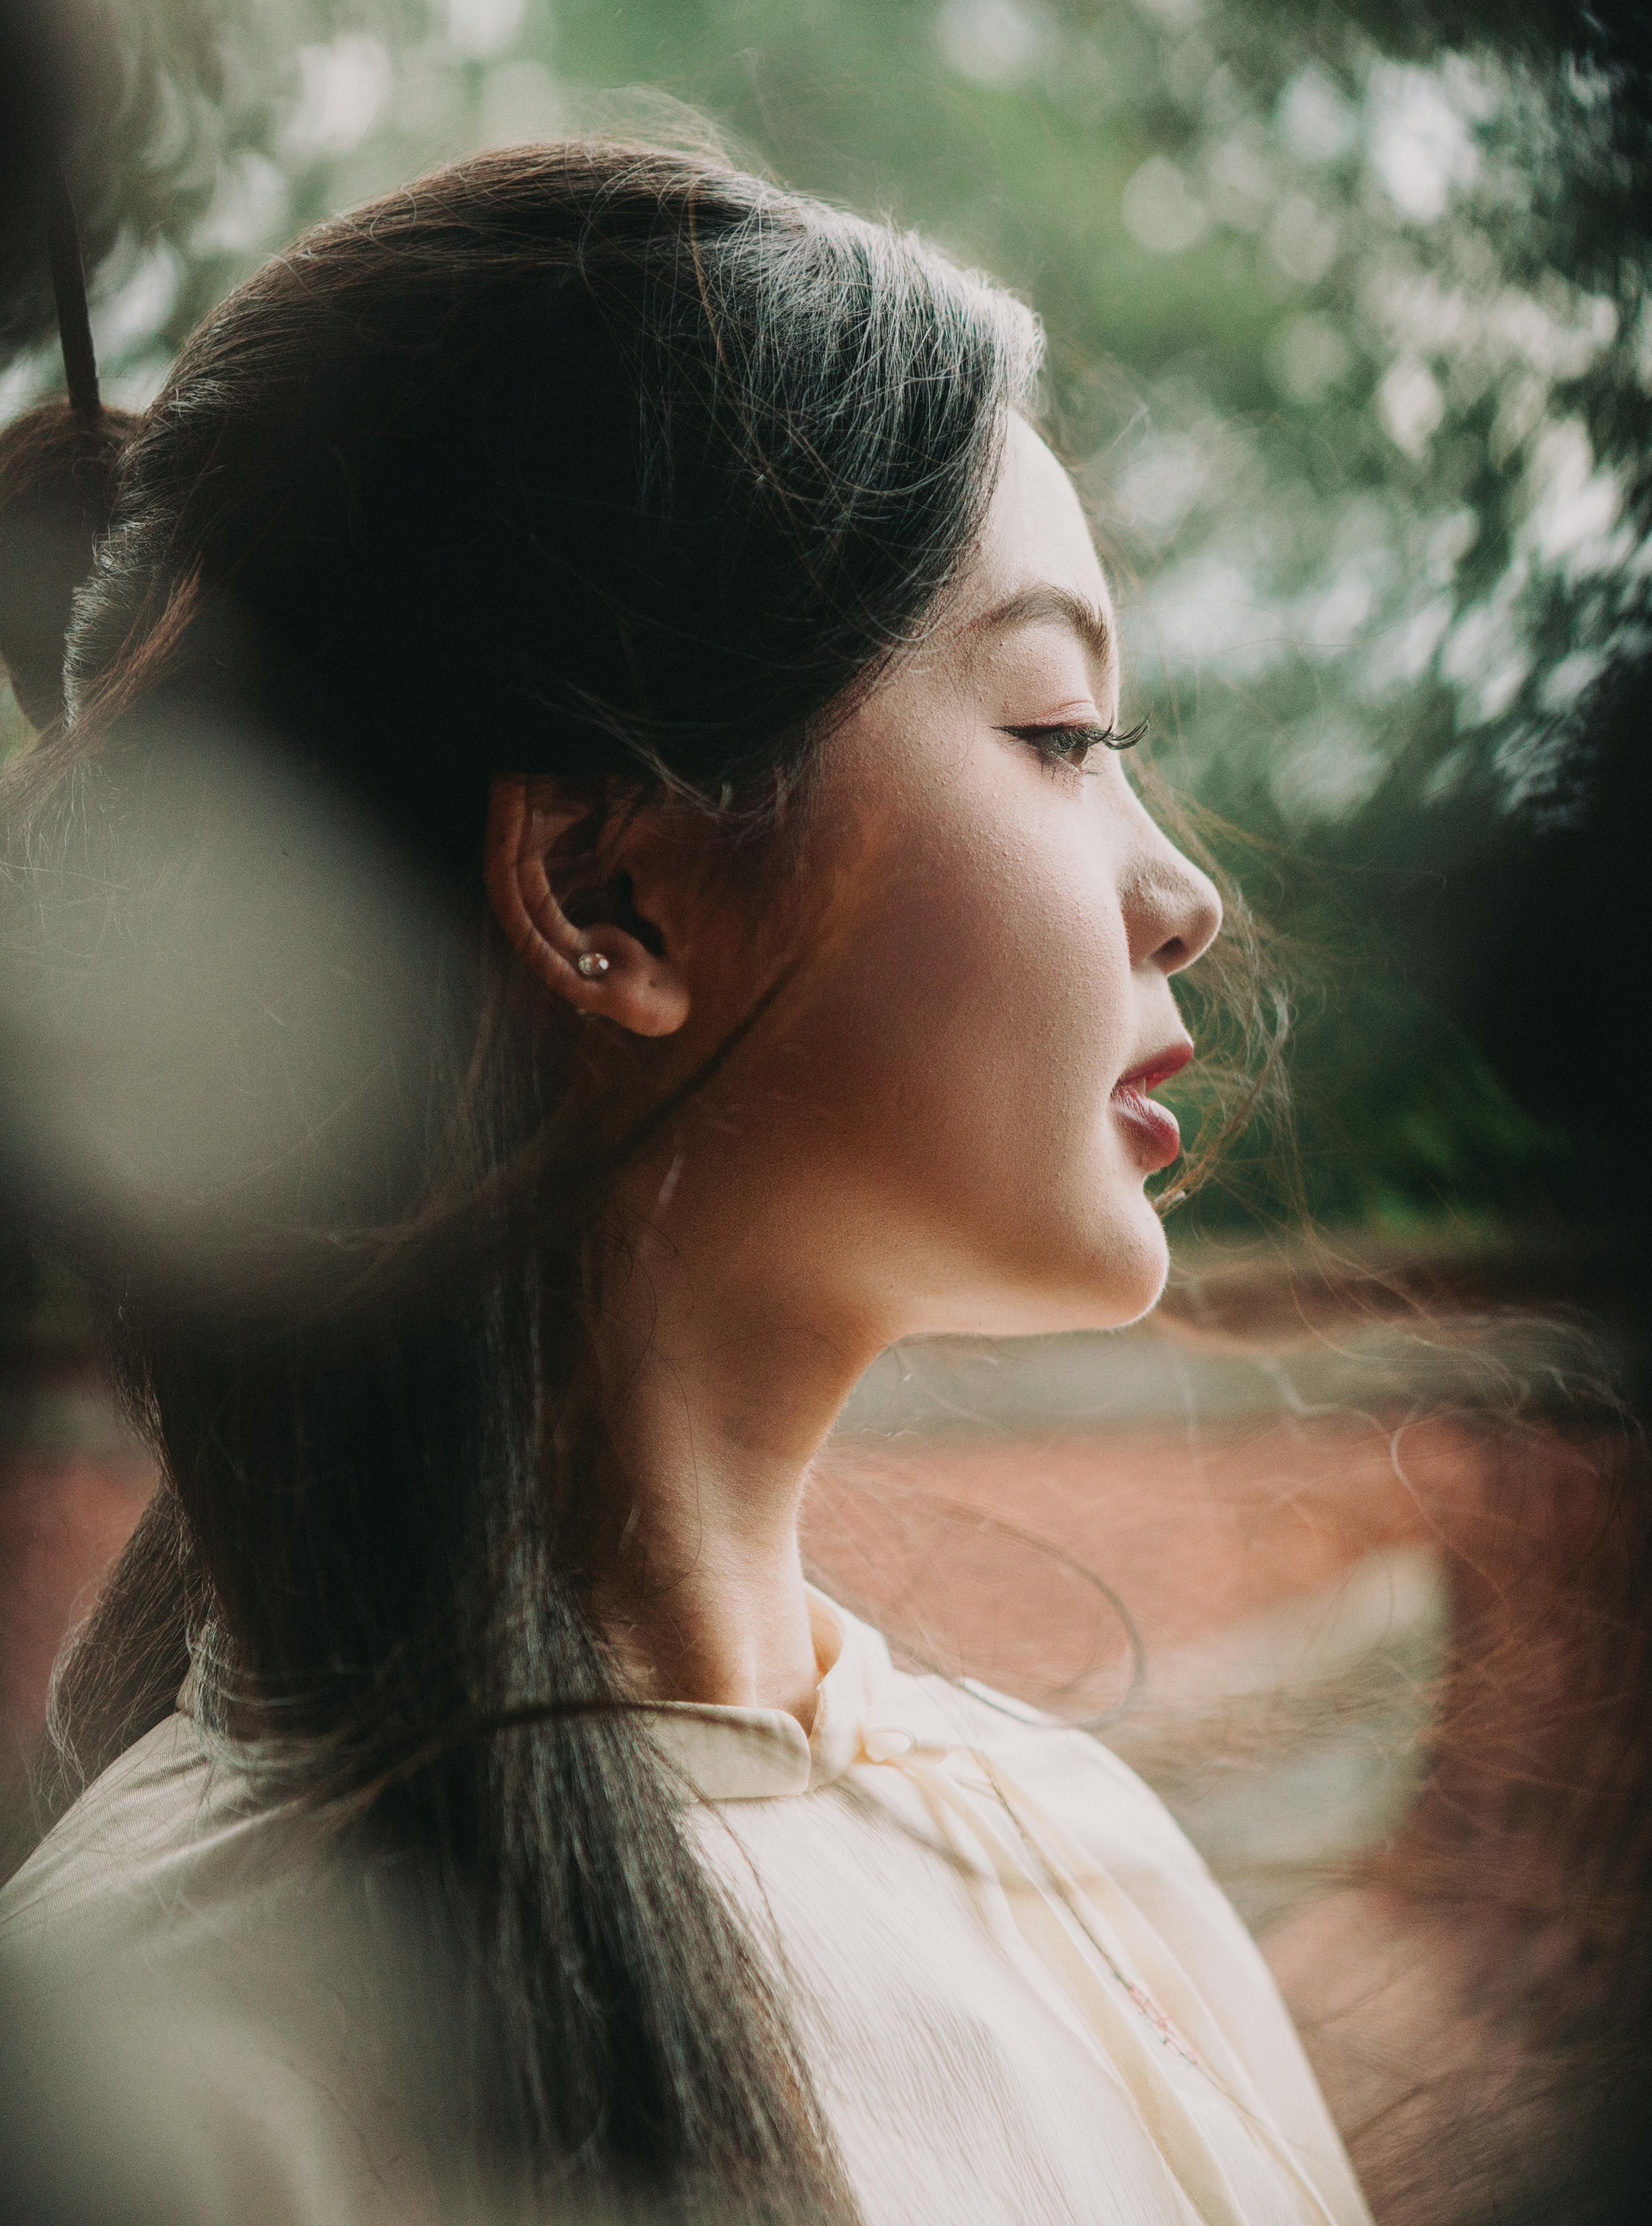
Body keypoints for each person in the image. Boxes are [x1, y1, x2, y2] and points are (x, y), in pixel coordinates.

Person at [0, 138, 1369, 2226]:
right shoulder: (149, 2087)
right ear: (603, 888)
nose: (1178, 892)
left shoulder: (1085, 1854)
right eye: (1062, 731)